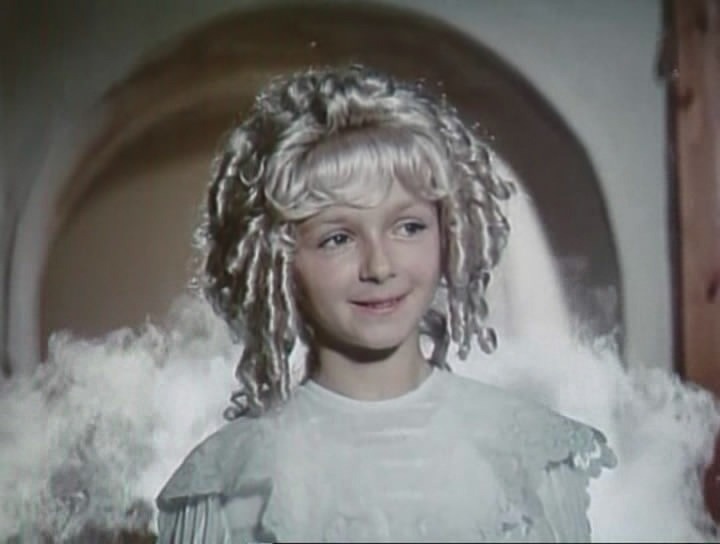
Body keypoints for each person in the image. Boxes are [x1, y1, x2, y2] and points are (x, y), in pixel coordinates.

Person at [155, 64, 616, 543]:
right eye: (338, 238)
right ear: (277, 261)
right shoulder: (231, 482)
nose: (379, 266)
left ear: (449, 234)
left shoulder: (528, 457)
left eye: (409, 227)